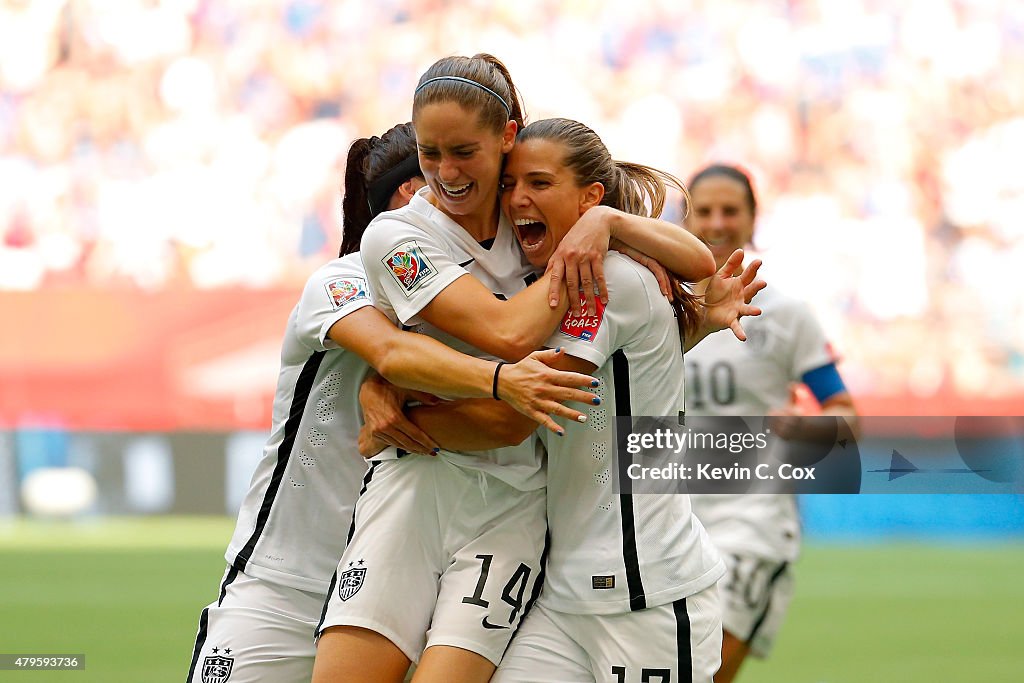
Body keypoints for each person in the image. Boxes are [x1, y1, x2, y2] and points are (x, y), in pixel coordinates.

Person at [313, 55, 718, 683]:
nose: (447, 175)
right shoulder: (417, 236)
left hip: (640, 588)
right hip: (546, 578)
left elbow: (513, 406)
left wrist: (400, 412)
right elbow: (528, 348)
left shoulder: (602, 271)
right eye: (430, 154)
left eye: (536, 183)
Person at [185, 122, 601, 683]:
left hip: (407, 580)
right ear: (398, 204)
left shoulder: (492, 292)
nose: (446, 201)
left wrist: (607, 222)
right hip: (289, 584)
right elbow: (390, 349)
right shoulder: (340, 282)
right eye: (424, 188)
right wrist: (470, 379)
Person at [681, 164, 859, 683]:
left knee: (702, 670)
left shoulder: (786, 314)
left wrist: (808, 432)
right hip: (666, 517)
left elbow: (844, 414)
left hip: (751, 518)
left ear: (753, 219)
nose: (717, 223)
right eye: (704, 210)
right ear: (685, 219)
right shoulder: (657, 303)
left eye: (730, 210)